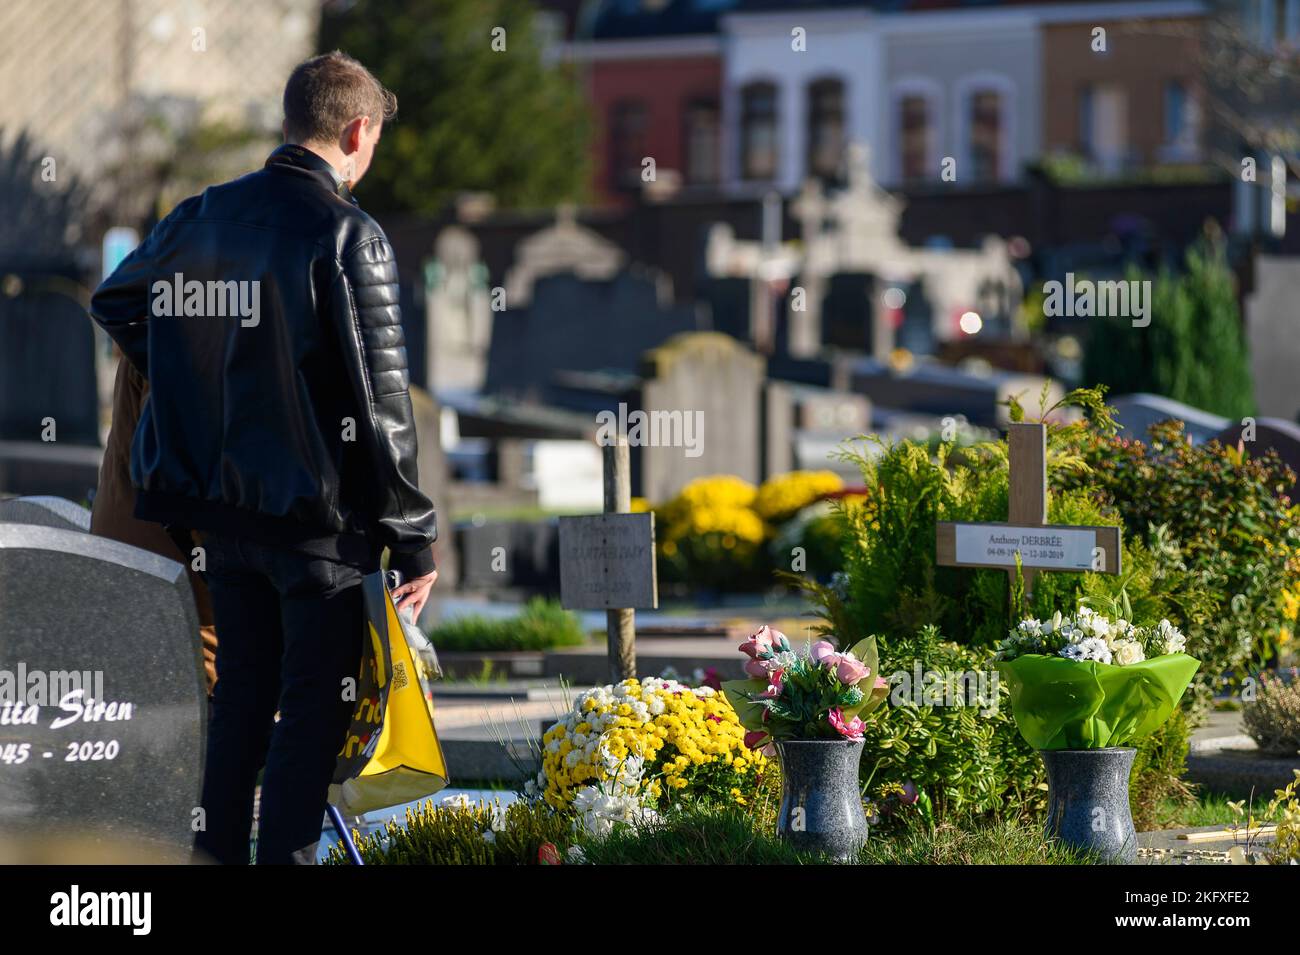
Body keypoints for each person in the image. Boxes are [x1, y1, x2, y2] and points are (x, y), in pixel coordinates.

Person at [88, 51, 438, 864]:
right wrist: (412, 535)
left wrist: (198, 369)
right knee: (311, 714)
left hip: (222, 520)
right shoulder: (350, 232)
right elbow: (382, 408)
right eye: (375, 137)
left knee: (242, 700)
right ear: (358, 130)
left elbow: (117, 300)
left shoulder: (199, 214)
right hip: (320, 530)